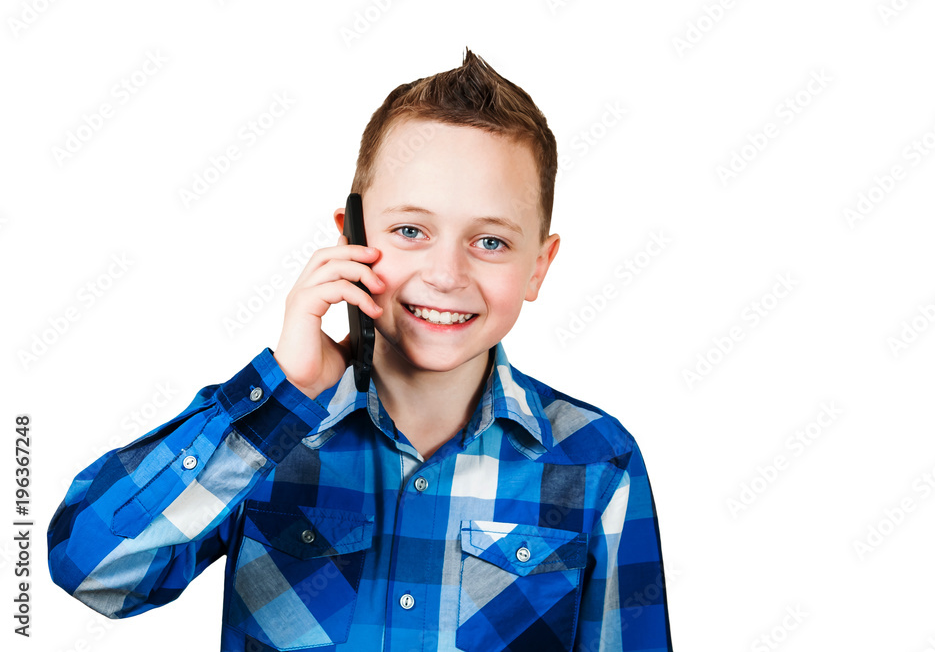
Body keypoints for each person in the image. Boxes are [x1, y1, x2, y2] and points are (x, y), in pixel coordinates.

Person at [47, 49, 673, 652]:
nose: (446, 273)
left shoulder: (597, 461)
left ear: (539, 265)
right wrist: (281, 394)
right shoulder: (262, 436)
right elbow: (93, 569)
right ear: (349, 236)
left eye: (490, 242)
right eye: (410, 231)